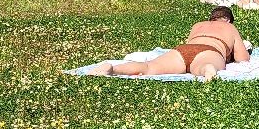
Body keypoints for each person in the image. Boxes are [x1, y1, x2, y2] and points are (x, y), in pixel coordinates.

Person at [90, 6, 250, 81]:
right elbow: (242, 58)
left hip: (183, 50)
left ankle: (112, 68)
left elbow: (192, 44)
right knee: (203, 66)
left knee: (148, 68)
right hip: (209, 50)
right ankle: (208, 69)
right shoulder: (229, 27)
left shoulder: (198, 25)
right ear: (228, 19)